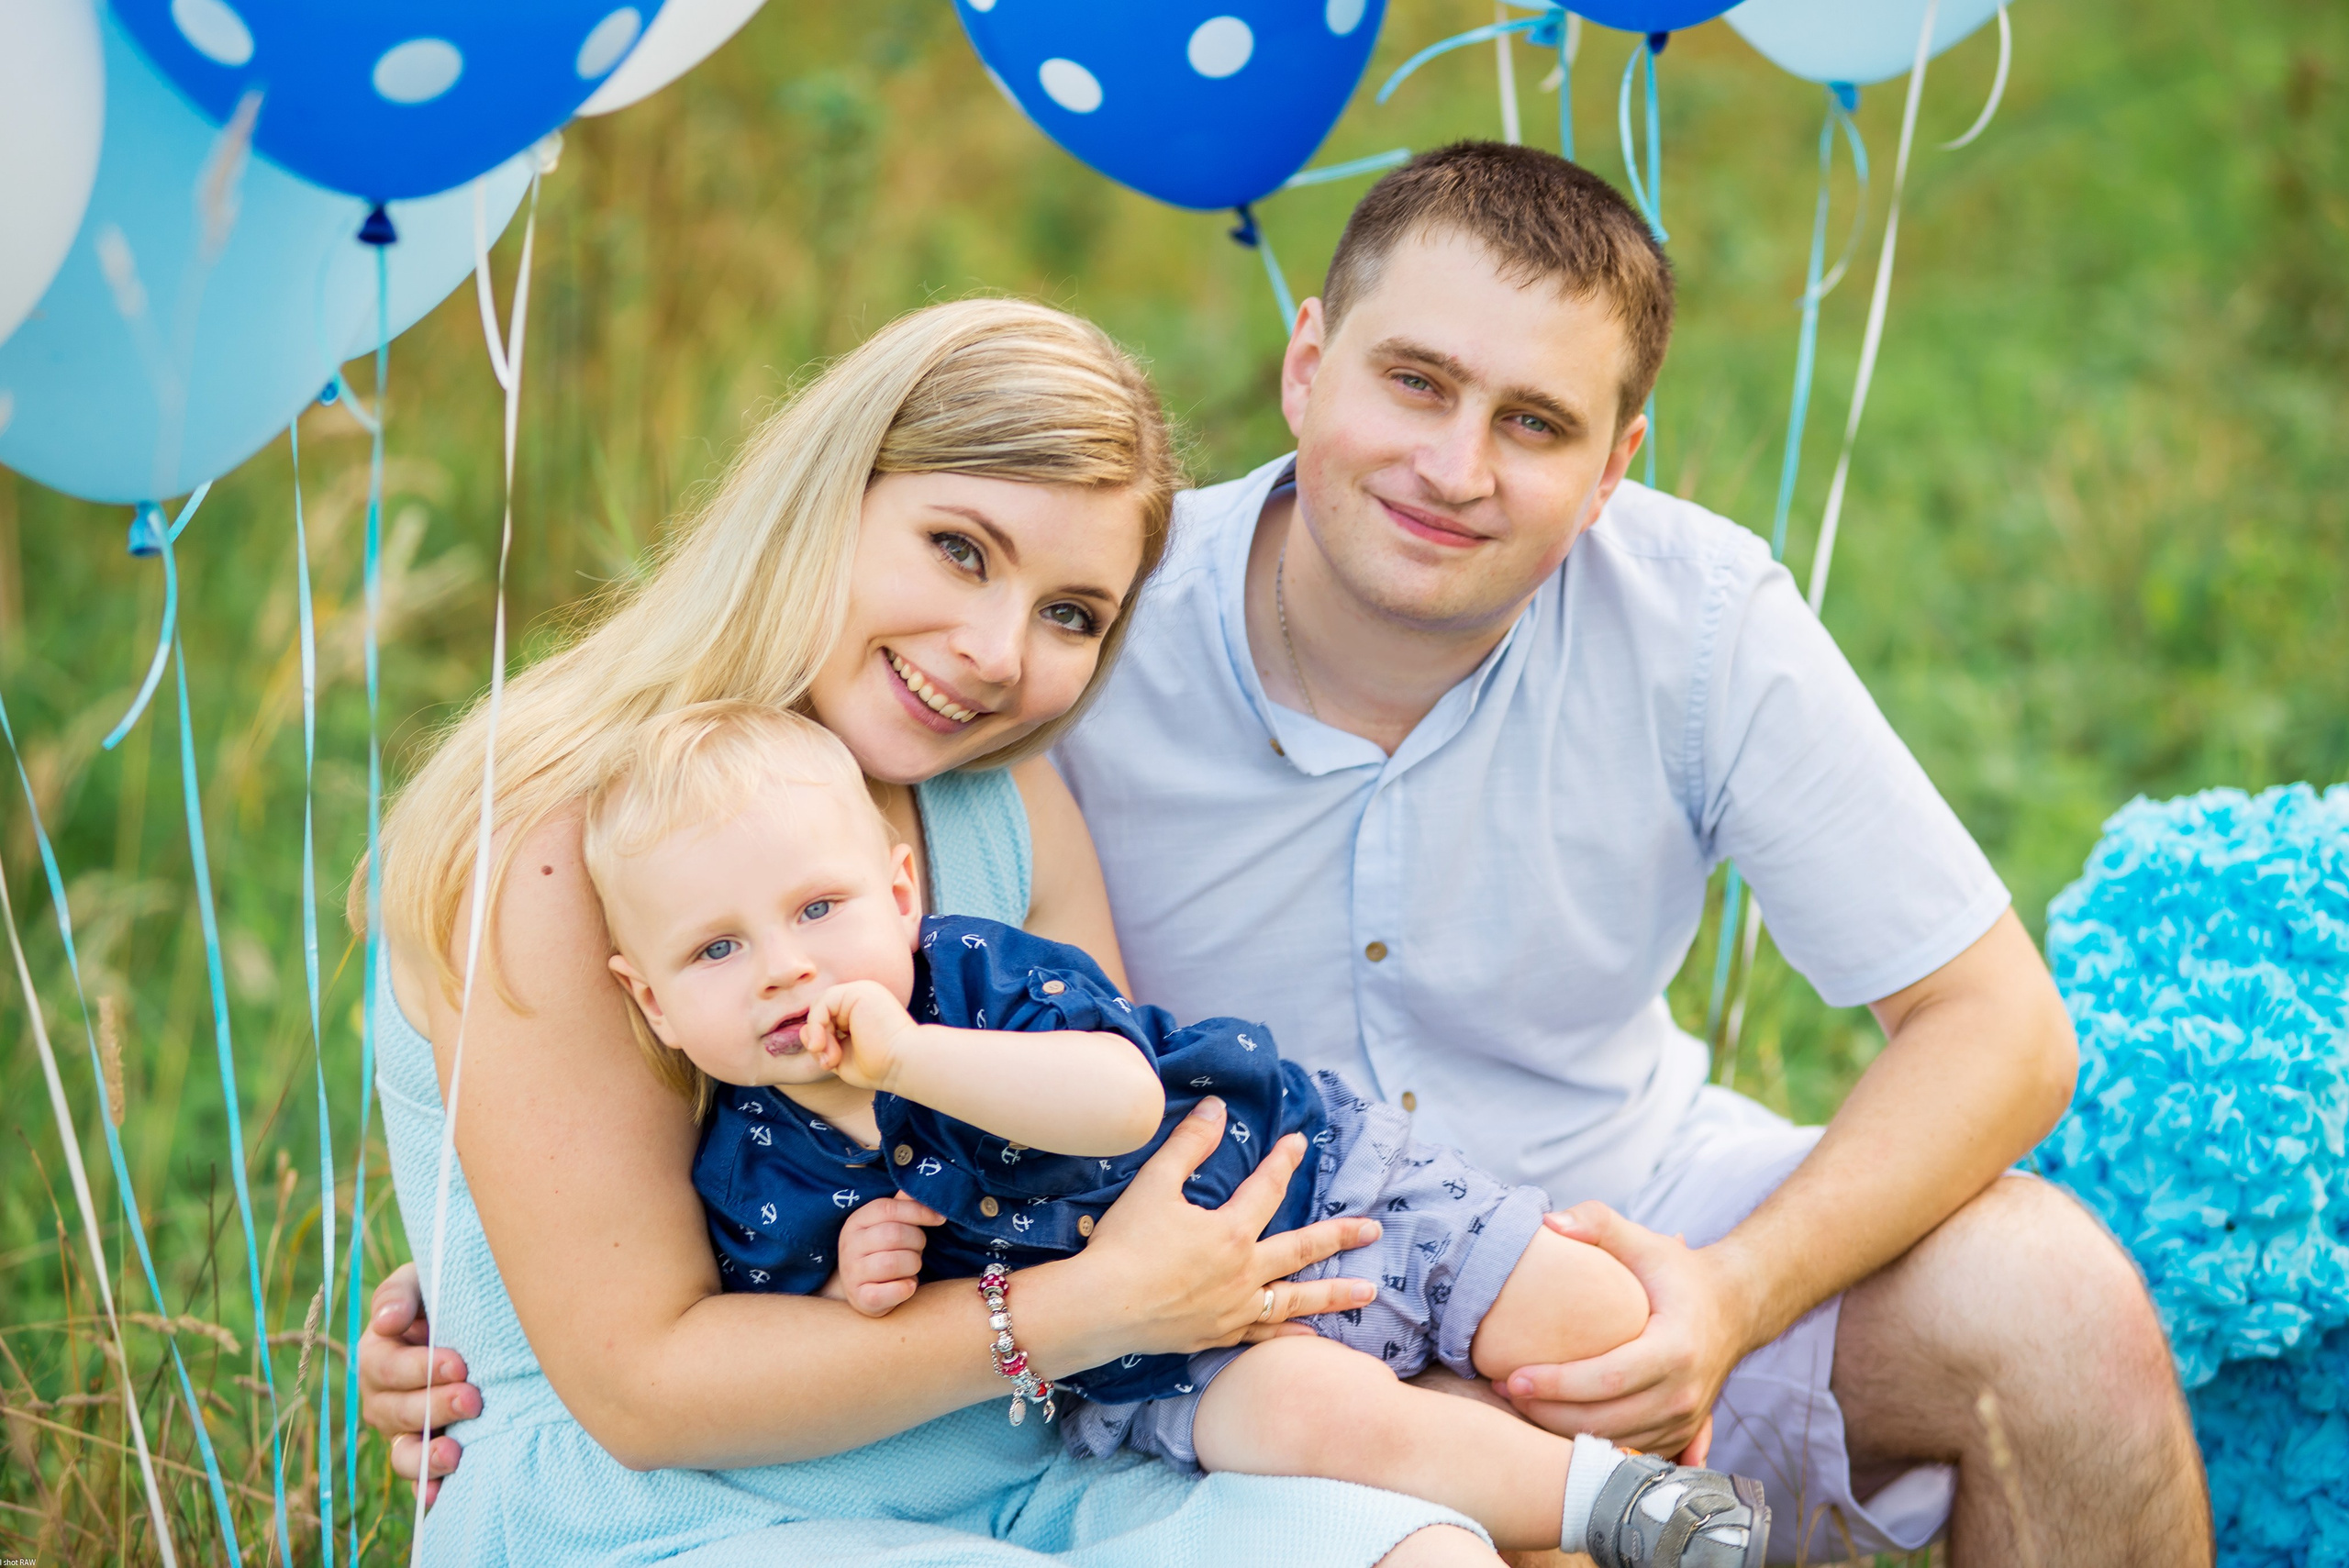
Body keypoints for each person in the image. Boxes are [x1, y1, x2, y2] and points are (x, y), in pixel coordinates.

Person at [366, 146, 2215, 1562]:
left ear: (1617, 458)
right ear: (1306, 364)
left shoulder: (1673, 620)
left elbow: (1998, 1029)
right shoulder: (1062, 648)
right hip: (1181, 1333)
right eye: (1414, 382)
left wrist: (1724, 1294)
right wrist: (480, 1285)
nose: (1453, 466)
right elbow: (627, 1177)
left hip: (1536, 1244)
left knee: (2046, 1307)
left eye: (1534, 423)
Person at [356, 295, 1513, 1567]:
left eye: (1071, 613)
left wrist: (1435, 1362)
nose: (995, 652)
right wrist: (1086, 1308)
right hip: (683, 1507)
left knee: (1434, 1546)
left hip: (1041, 1465)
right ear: (830, 491)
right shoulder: (548, 840)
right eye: (961, 548)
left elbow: (1117, 1197)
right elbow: (643, 1386)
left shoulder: (999, 802)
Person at [580, 698, 1767, 1563]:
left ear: (900, 894)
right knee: (1325, 1425)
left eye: (817, 908)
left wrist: (905, 1055)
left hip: (1318, 1182)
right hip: (1165, 1365)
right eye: (716, 949)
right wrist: (853, 1280)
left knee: (1589, 1322)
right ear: (652, 1002)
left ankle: (1646, 1495)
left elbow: (1120, 1099)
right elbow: (787, 1343)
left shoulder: (968, 977)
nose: (784, 966)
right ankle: (1624, 1515)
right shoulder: (754, 1165)